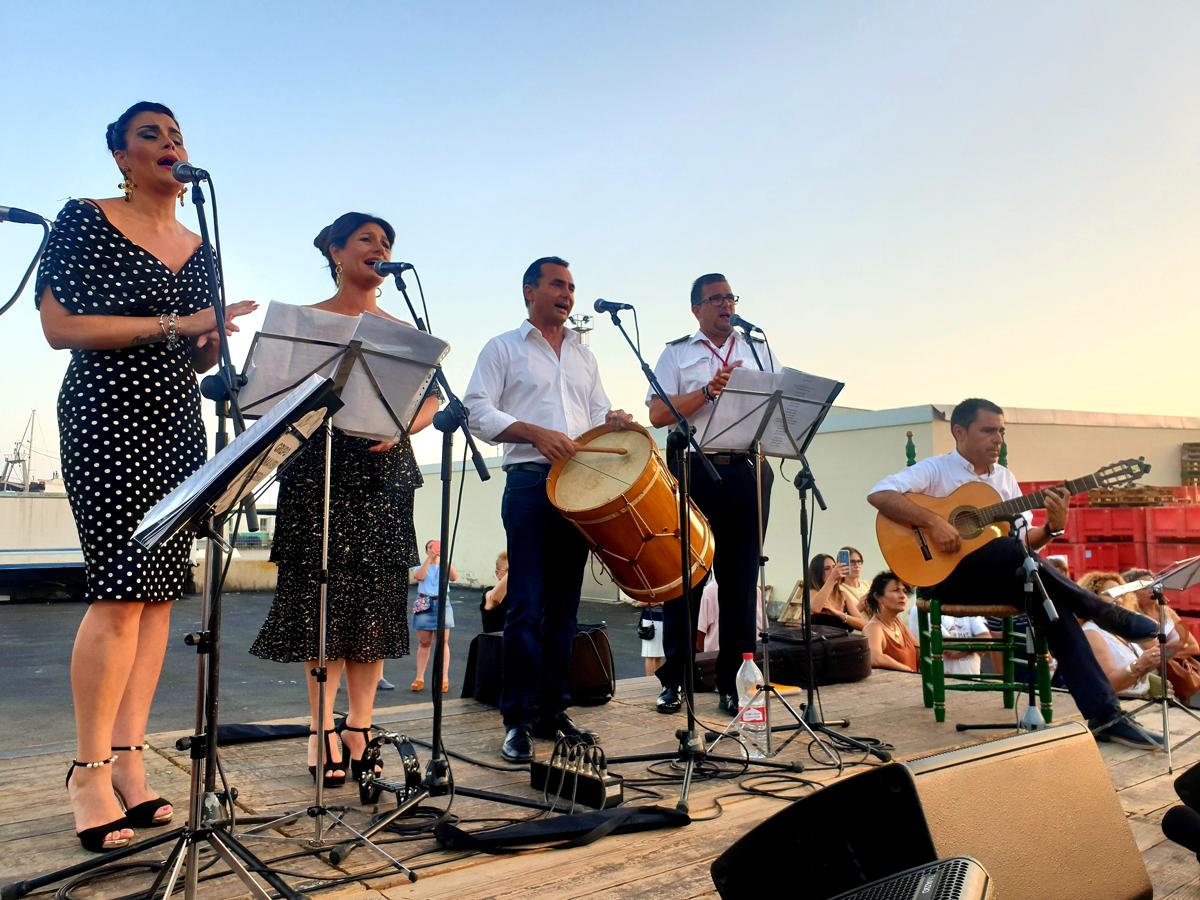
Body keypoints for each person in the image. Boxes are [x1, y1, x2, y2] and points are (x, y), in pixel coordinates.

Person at [36, 101, 257, 852]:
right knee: (119, 593)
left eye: (177, 135)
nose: (170, 144)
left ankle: (131, 762)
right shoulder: (85, 217)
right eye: (151, 135)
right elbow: (61, 327)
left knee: (160, 600)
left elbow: (193, 358)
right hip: (106, 413)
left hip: (174, 420)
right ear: (122, 157)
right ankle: (88, 771)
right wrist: (177, 325)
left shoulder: (202, 248)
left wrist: (209, 339)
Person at [250, 212, 439, 788]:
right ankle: (320, 730)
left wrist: (406, 424)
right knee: (323, 606)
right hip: (319, 469)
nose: (378, 249)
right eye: (366, 240)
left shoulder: (404, 332)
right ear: (335, 250)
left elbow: (430, 400)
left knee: (374, 604)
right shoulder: (306, 324)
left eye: (386, 243)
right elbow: (271, 395)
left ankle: (360, 726)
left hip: (382, 471)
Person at [868, 398, 1161, 750]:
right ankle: (1103, 611)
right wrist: (933, 521)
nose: (998, 440)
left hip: (999, 579)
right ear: (959, 432)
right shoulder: (935, 471)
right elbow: (879, 494)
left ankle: (1106, 716)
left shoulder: (1003, 479)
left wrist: (1053, 527)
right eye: (989, 430)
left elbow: (1026, 544)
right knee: (1010, 552)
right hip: (945, 579)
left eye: (1002, 432)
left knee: (1053, 607)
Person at [463, 256, 633, 762]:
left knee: (564, 609)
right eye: (557, 285)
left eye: (573, 287)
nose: (568, 294)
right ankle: (516, 718)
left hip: (579, 490)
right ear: (528, 291)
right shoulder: (502, 348)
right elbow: (476, 409)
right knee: (526, 605)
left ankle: (552, 712)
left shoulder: (584, 355)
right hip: (531, 484)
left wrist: (614, 418)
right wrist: (533, 432)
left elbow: (599, 409)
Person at [648, 273, 780, 715]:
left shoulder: (757, 349)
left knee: (740, 583)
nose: (726, 305)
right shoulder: (676, 353)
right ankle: (676, 682)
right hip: (693, 471)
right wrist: (707, 391)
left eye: (730, 297)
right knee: (686, 580)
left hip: (746, 470)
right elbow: (657, 413)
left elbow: (778, 404)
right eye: (716, 299)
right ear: (696, 309)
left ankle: (735, 684)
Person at [1077, 573, 1163, 711]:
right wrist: (1140, 665)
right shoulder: (1092, 632)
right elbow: (1108, 683)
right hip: (1123, 708)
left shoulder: (1117, 630)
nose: (1118, 600)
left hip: (1141, 702)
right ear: (1092, 598)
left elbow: (1155, 642)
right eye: (1110, 594)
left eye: (1121, 594)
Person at [1123, 567, 1200, 707]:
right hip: (1159, 675)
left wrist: (1171, 652)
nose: (1151, 589)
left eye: (1153, 585)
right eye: (1145, 587)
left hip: (1181, 668)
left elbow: (1195, 647)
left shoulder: (1168, 611)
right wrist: (1180, 647)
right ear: (1131, 593)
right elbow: (1156, 655)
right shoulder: (1134, 618)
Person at [411, 539, 459, 693]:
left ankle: (444, 678)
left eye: (437, 547)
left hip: (442, 602)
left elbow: (454, 577)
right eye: (431, 547)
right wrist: (429, 559)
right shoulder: (421, 565)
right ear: (426, 550)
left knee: (443, 641)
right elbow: (419, 576)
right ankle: (419, 678)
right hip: (425, 601)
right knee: (424, 642)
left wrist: (444, 557)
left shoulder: (444, 564)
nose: (434, 550)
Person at [905, 599, 991, 676]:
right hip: (944, 682)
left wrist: (964, 647)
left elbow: (987, 639)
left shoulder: (967, 606)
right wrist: (974, 646)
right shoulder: (924, 607)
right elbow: (948, 646)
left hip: (972, 679)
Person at [862, 572, 919, 672]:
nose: (903, 596)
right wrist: (907, 670)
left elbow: (919, 650)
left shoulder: (897, 623)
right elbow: (875, 658)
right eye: (896, 590)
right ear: (878, 597)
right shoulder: (873, 628)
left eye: (904, 591)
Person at [808, 553, 868, 630]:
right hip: (821, 640)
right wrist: (832, 578)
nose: (833, 571)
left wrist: (837, 613)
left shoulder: (842, 595)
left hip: (842, 640)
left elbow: (863, 624)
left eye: (834, 567)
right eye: (827, 568)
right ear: (818, 573)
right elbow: (815, 608)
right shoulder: (814, 592)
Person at [480, 551, 509, 633]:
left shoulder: (524, 594)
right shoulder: (489, 591)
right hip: (496, 643)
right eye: (508, 570)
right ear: (497, 573)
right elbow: (494, 599)